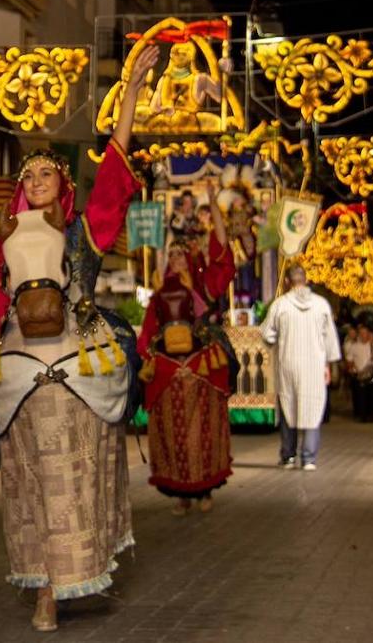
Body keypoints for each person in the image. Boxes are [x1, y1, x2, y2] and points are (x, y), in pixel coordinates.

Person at [0, 46, 154, 633]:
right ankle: (45, 587)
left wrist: (130, 93)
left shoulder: (85, 231)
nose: (36, 180)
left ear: (62, 183)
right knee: (28, 482)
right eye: (28, 175)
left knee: (78, 476)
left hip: (83, 364)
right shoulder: (3, 245)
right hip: (18, 374)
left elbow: (116, 170)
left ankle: (83, 566)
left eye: (46, 172)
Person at [137, 176, 236, 516]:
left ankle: (205, 490)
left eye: (183, 258)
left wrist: (214, 204)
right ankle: (180, 493)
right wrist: (147, 361)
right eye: (173, 258)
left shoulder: (206, 286)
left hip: (201, 368)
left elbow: (223, 253)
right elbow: (147, 335)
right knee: (173, 436)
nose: (178, 262)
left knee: (203, 435)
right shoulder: (159, 296)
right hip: (168, 371)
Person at [260, 265, 341, 470]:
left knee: (289, 405)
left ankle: (288, 456)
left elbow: (267, 333)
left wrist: (276, 341)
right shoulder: (321, 304)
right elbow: (330, 338)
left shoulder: (280, 305)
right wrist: (328, 365)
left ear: (287, 281)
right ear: (305, 280)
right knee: (312, 407)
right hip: (314, 365)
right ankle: (309, 458)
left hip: (289, 362)